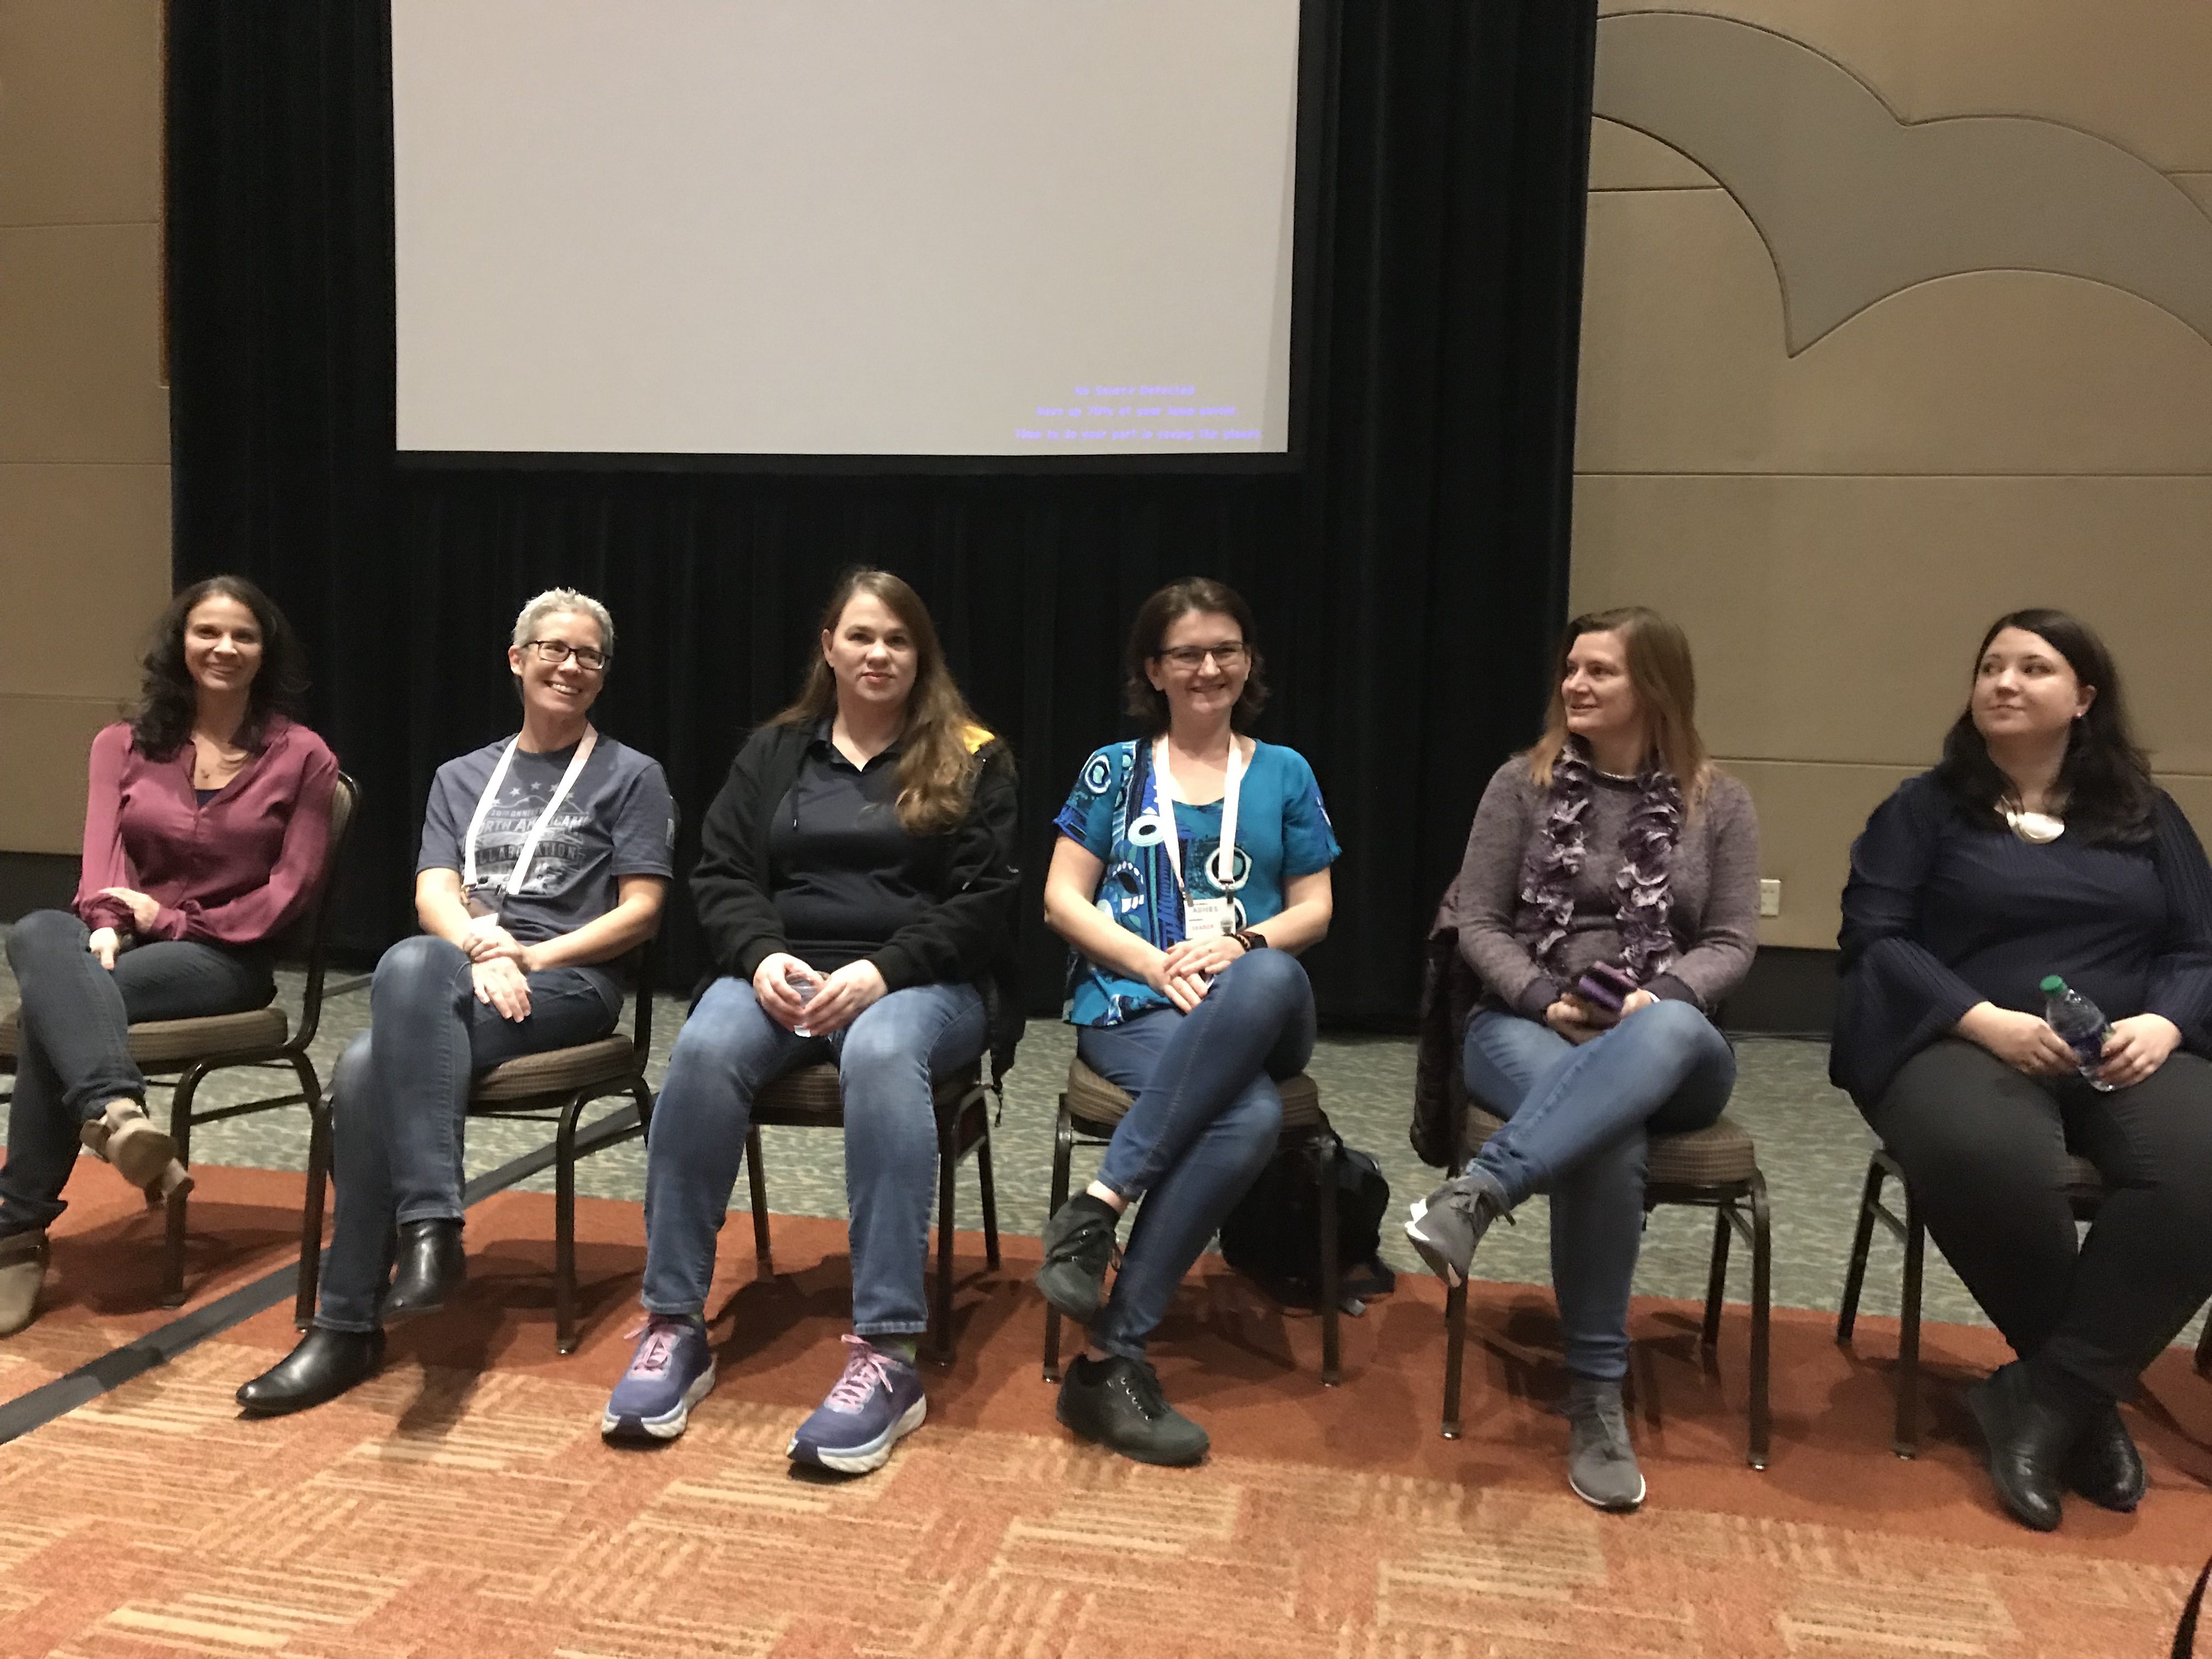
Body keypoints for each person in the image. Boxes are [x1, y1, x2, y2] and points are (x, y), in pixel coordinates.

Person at [600, 568, 1020, 1474]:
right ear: (829, 646)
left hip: (920, 982)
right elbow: (721, 875)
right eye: (861, 636)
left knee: (883, 1051)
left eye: (898, 640)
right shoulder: (775, 752)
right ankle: (674, 1323)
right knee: (705, 1048)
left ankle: (889, 1351)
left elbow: (982, 904)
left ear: (922, 656)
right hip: (785, 972)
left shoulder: (975, 755)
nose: (879, 654)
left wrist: (881, 971)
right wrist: (760, 956)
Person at [236, 588, 673, 1414]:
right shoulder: (460, 776)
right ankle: (423, 1239)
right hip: (466, 970)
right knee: (405, 979)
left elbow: (641, 911)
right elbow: (434, 889)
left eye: (589, 656)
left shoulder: (632, 776)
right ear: (518, 660)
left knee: (373, 1052)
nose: (571, 666)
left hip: (568, 981)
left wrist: (530, 954)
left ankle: (350, 1317)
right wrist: (480, 949)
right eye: (554, 649)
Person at [1833, 607, 2212, 1533]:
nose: (2004, 682)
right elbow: (1877, 937)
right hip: (1959, 1040)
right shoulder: (1924, 810)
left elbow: (2199, 946)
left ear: (2084, 698)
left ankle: (2049, 1399)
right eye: (1991, 667)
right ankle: (2083, 1404)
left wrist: (2165, 1023)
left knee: (2202, 1166)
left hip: (2124, 1045)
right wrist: (1983, 1020)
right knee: (1987, 1157)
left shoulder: (2146, 816)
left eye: (2033, 668)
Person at [1407, 606, 1758, 1512]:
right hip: (1528, 1024)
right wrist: (1541, 998)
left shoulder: (1719, 802)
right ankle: (1598, 1398)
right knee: (1606, 1136)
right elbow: (1478, 921)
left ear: (1656, 686)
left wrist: (1656, 998)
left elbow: (1730, 942)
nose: (1575, 684)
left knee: (1668, 1033)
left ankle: (1483, 1192)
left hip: (1670, 1041)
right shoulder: (1519, 785)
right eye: (1571, 668)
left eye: (1600, 671)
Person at [1035, 577, 1339, 1466]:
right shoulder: (1113, 770)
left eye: (1226, 651)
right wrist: (1151, 963)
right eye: (1188, 654)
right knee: (1246, 1117)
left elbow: (1316, 908)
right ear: (1153, 670)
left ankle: (1098, 1204)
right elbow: (1062, 899)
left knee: (1268, 970)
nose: (1209, 668)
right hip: (1136, 1004)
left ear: (1249, 662)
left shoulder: (1285, 772)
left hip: (1259, 1007)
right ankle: (1109, 1360)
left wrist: (1238, 944)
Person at [0, 578, 336, 1336]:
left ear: (265, 652)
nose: (224, 648)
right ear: (180, 643)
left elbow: (290, 892)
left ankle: (17, 1229)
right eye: (207, 632)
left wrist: (175, 921)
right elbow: (99, 860)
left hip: (224, 958)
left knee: (55, 1012)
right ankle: (117, 1113)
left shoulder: (303, 756)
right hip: (121, 947)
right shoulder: (120, 744)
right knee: (39, 931)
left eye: (243, 635)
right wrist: (108, 920)